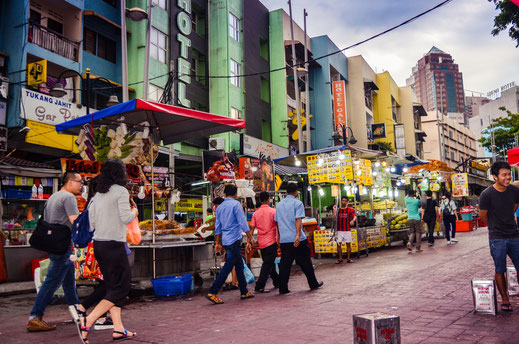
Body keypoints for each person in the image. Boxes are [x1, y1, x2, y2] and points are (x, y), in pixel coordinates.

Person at [79, 159, 139, 343]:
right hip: (114, 245)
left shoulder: (98, 195)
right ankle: (88, 320)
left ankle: (119, 329)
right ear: (120, 173)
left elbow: (92, 223)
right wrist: (135, 212)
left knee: (113, 287)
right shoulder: (121, 191)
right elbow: (125, 217)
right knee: (122, 287)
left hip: (99, 245)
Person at [27, 171, 83, 332]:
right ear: (70, 182)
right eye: (79, 181)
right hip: (63, 245)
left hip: (54, 243)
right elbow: (75, 222)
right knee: (52, 281)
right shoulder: (69, 197)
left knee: (68, 281)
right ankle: (35, 317)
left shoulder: (53, 196)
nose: (81, 185)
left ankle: (77, 311)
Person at [479, 161, 519, 313]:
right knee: (499, 268)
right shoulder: (487, 194)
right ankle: (505, 299)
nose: (508, 177)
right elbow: (483, 216)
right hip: (497, 237)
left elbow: (514, 206)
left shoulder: (514, 191)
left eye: (509, 174)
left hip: (515, 234)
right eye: (504, 175)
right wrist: (496, 226)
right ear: (495, 177)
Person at [206, 184, 255, 304]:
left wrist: (217, 242)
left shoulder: (220, 207)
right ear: (235, 194)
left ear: (224, 194)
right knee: (228, 266)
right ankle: (213, 291)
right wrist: (250, 238)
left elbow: (218, 226)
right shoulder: (236, 204)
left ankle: (244, 291)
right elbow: (243, 222)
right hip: (234, 239)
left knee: (238, 265)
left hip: (226, 240)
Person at [275, 182, 323, 294]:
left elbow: (277, 222)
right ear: (296, 192)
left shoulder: (279, 205)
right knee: (305, 262)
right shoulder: (298, 203)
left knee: (285, 265)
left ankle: (283, 288)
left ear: (286, 192)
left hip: (285, 239)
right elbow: (298, 219)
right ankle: (313, 283)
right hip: (297, 239)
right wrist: (297, 235)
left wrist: (281, 235)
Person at [250, 191, 279, 293]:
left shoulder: (255, 213)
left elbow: (252, 229)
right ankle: (259, 286)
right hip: (271, 241)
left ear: (259, 200)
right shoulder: (273, 211)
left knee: (269, 263)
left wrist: (251, 241)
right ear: (268, 200)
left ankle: (277, 282)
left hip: (261, 243)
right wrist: (279, 237)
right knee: (267, 264)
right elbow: (278, 225)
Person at [334, 196, 357, 264]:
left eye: (345, 201)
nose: (343, 202)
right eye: (342, 200)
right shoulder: (338, 210)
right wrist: (333, 210)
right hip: (339, 230)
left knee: (348, 244)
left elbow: (354, 216)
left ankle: (348, 258)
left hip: (347, 229)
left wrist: (353, 220)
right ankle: (340, 258)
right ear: (341, 201)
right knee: (338, 244)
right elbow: (334, 218)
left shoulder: (350, 209)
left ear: (347, 202)